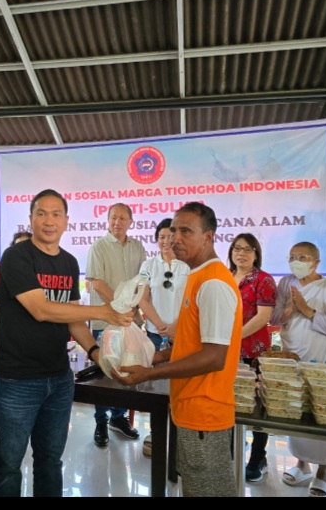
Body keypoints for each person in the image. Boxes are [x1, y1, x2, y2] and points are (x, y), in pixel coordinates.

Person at [0, 189, 134, 497]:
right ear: (31, 219)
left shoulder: (68, 262)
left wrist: (98, 355)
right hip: (17, 380)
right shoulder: (16, 256)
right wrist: (104, 311)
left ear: (67, 221)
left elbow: (73, 320)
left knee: (50, 461)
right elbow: (41, 309)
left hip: (58, 379)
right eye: (41, 213)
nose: (49, 221)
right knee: (8, 463)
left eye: (56, 214)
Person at [112, 202, 243, 497]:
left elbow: (213, 357)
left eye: (186, 231)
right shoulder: (196, 276)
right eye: (173, 231)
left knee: (208, 491)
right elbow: (189, 343)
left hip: (205, 411)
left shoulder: (214, 283)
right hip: (189, 407)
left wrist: (149, 373)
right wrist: (151, 356)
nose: (175, 239)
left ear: (208, 237)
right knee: (193, 487)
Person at [271, 241, 326, 497]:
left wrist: (308, 311)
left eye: (302, 257)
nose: (295, 261)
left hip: (324, 361)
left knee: (323, 412)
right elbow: (274, 318)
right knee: (298, 410)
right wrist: (290, 309)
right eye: (291, 257)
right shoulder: (286, 283)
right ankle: (301, 463)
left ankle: (323, 472)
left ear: (316, 262)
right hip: (294, 356)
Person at [85, 202, 146, 448]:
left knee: (126, 368)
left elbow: (142, 281)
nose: (117, 222)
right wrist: (120, 308)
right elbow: (97, 283)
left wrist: (134, 309)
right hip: (105, 319)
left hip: (129, 321)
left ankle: (118, 418)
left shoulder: (137, 247)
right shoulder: (98, 247)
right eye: (113, 217)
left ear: (131, 221)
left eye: (122, 218)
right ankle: (100, 421)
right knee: (104, 372)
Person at [227, 233, 276, 481]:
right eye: (237, 248)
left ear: (256, 254)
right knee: (230, 401)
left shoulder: (264, 279)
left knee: (257, 406)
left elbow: (263, 317)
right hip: (226, 351)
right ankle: (230, 451)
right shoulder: (224, 277)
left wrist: (234, 337)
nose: (241, 253)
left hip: (253, 351)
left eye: (248, 249)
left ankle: (258, 458)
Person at [138, 217, 190, 457]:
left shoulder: (187, 266)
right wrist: (160, 325)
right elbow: (142, 299)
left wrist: (177, 327)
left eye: (171, 236)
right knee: (155, 387)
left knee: (181, 384)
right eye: (162, 237)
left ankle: (181, 431)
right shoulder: (148, 265)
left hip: (183, 333)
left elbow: (191, 300)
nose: (166, 241)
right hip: (155, 334)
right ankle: (155, 432)